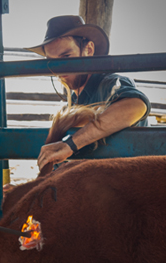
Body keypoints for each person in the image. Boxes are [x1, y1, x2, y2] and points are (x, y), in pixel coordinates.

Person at [25, 15, 151, 172]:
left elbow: (136, 106)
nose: (59, 69)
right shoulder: (71, 106)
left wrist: (71, 145)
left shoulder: (110, 84)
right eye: (52, 61)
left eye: (66, 57)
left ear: (89, 50)